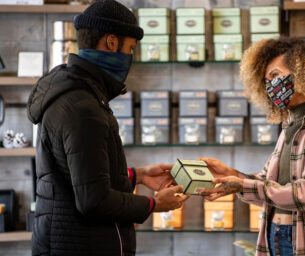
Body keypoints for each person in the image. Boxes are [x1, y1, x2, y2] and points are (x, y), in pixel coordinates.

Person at [27, 1, 188, 255]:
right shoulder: (83, 107)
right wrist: (153, 204)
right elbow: (94, 200)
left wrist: (139, 175)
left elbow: (81, 174)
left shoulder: (74, 94)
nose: (130, 58)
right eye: (130, 48)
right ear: (112, 42)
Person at [200, 38, 305, 256]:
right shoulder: (290, 126)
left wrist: (242, 185)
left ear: (304, 72)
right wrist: (232, 176)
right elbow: (269, 186)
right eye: (266, 80)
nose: (271, 86)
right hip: (274, 235)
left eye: (275, 75)